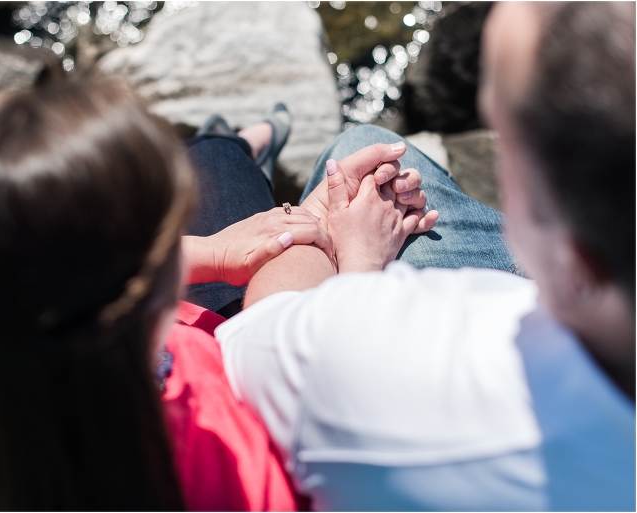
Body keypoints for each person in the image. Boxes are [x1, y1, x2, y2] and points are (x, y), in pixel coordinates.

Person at [0, 76, 436, 509]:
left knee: (214, 160)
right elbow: (332, 406)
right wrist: (353, 263)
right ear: (138, 308)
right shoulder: (216, 462)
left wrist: (210, 252)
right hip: (267, 343)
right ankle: (235, 146)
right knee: (352, 144)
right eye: (166, 245)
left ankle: (233, 145)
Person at [215, 2, 635, 511]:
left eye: (509, 141)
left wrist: (333, 234)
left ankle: (229, 148)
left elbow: (259, 330)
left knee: (355, 150)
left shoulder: (429, 375)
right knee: (369, 149)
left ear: (576, 260)